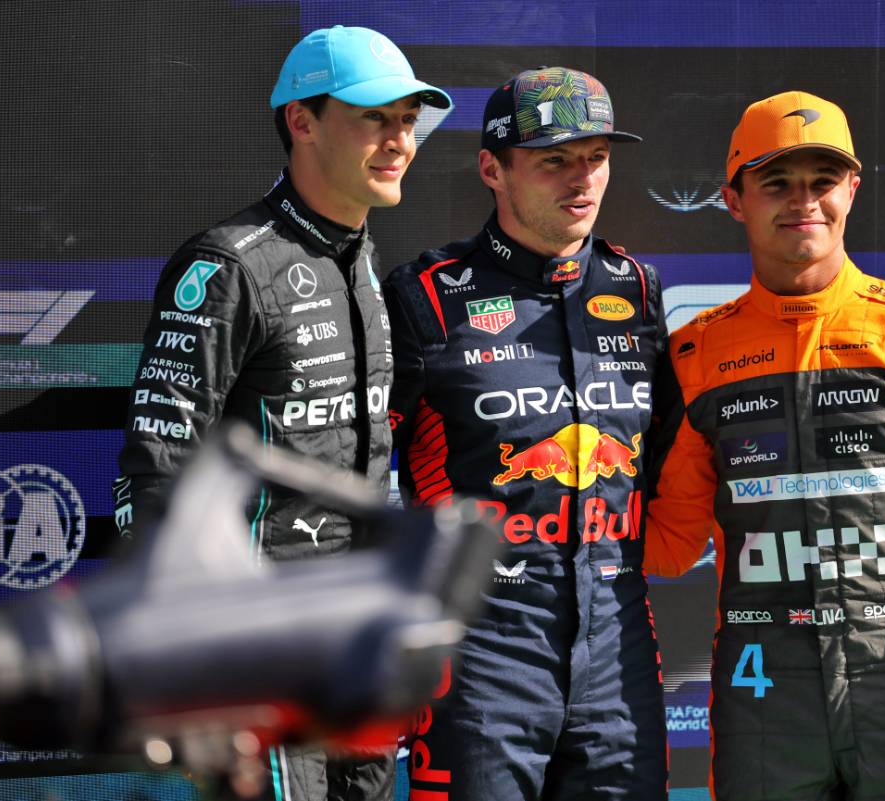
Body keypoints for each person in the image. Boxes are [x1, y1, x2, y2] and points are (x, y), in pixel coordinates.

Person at [644, 90, 885, 801]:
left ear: (852, 187)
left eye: (822, 181)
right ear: (734, 198)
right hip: (762, 693)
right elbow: (667, 540)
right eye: (777, 182)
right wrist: (557, 500)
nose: (803, 201)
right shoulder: (696, 353)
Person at [112, 24, 451, 801]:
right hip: (264, 646)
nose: (400, 139)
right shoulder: (228, 264)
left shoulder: (363, 259)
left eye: (408, 119)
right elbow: (155, 467)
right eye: (375, 117)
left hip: (359, 637)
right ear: (302, 119)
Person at [385, 67, 668, 800]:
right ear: (492, 169)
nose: (582, 180)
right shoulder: (424, 296)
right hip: (481, 647)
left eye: (596, 157)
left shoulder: (636, 288)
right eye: (554, 160)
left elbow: (666, 462)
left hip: (616, 644)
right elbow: (349, 471)